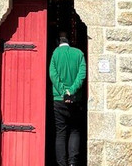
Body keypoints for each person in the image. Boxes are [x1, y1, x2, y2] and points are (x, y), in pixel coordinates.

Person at [49, 31, 87, 166]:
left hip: (59, 100)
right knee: (75, 130)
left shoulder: (55, 54)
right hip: (75, 99)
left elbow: (53, 75)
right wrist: (71, 91)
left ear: (58, 43)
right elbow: (82, 75)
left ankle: (61, 163)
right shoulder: (79, 54)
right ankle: (73, 163)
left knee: (61, 132)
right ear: (70, 42)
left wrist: (63, 91)